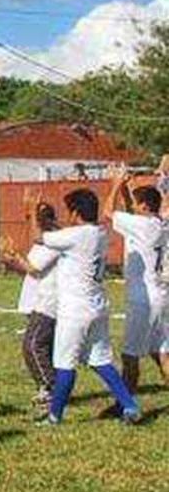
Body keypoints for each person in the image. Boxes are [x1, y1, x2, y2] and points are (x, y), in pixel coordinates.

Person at [37, 188, 142, 426]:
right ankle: (130, 405)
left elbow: (40, 238)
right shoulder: (99, 233)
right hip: (97, 306)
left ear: (75, 212)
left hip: (74, 310)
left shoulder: (75, 235)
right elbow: (70, 235)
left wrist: (35, 216)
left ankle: (54, 416)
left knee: (65, 363)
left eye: (69, 211)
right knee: (100, 360)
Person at [106, 164, 168, 411]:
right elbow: (130, 209)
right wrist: (126, 188)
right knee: (162, 353)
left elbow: (108, 212)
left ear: (144, 207)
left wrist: (115, 182)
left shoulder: (142, 226)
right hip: (161, 295)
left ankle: (125, 404)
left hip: (143, 299)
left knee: (130, 355)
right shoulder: (158, 223)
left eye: (137, 204)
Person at [0, 203, 61, 406]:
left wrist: (16, 256)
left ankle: (50, 388)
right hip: (36, 299)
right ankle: (49, 388)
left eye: (33, 217)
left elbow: (33, 269)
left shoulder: (54, 241)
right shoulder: (42, 241)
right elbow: (29, 270)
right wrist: (12, 262)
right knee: (44, 347)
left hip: (46, 302)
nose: (30, 222)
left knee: (33, 346)